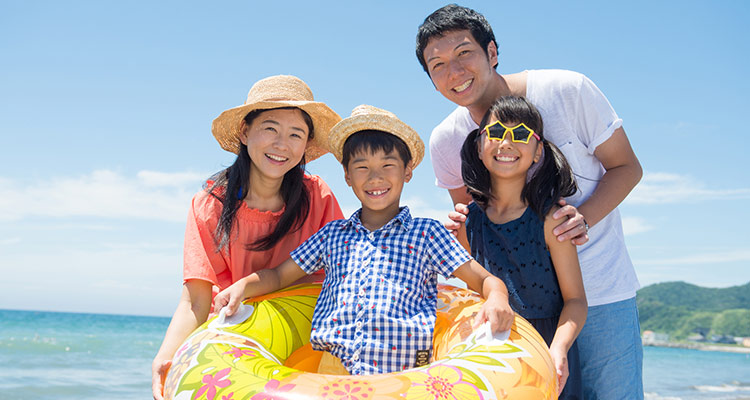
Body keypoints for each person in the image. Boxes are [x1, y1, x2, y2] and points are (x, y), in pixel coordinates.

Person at [416, 5, 644, 399]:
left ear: (492, 52)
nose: (454, 72)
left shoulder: (567, 90)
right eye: (437, 65)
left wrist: (580, 220)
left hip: (601, 289)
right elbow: (481, 233)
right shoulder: (447, 140)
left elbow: (627, 167)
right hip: (521, 312)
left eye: (464, 53)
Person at [213, 105, 514, 375]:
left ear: (408, 171)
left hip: (402, 377)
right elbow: (279, 275)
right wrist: (243, 285)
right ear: (347, 176)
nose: (375, 178)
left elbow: (485, 280)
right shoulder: (332, 236)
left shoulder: (427, 234)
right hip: (331, 374)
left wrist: (499, 297)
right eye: (362, 168)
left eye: (387, 165)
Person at [151, 75, 345, 399]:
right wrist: (164, 357)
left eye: (296, 134)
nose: (282, 144)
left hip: (307, 343)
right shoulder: (210, 204)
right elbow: (196, 300)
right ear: (245, 131)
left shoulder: (318, 197)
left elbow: (343, 276)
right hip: (239, 347)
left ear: (306, 144)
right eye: (270, 128)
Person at [461, 95, 587, 398]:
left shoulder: (549, 219)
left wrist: (558, 349)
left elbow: (576, 301)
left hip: (546, 352)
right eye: (495, 134)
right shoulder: (468, 222)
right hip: (492, 354)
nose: (506, 143)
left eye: (519, 135)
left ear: (537, 152)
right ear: (479, 146)